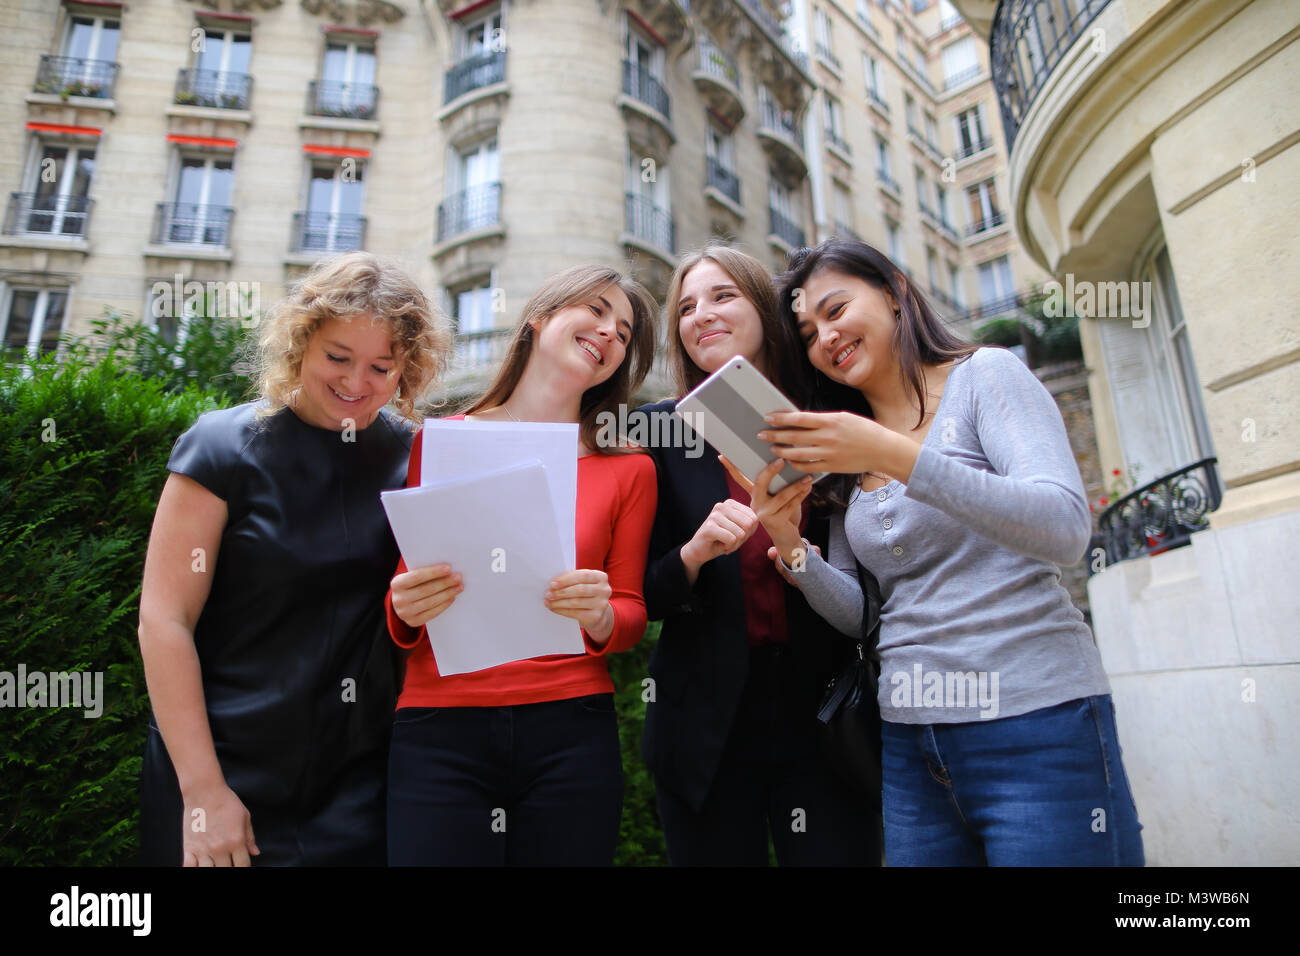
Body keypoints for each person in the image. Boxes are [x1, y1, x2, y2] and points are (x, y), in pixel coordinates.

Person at [729, 238, 1144, 866]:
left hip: (1037, 721)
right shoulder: (846, 451)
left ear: (895, 292)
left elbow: (1063, 528)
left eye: (837, 310)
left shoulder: (986, 375)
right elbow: (864, 615)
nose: (826, 338)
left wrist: (890, 455)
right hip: (911, 744)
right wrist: (790, 545)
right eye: (810, 332)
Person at [137, 252, 451, 866]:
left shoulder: (419, 458)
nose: (357, 383)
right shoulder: (222, 446)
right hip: (220, 764)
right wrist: (203, 792)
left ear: (407, 370)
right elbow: (163, 622)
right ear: (301, 344)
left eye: (381, 367)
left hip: (362, 781)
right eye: (338, 357)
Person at [384, 264, 659, 866]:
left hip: (570, 729)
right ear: (539, 318)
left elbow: (633, 612)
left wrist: (601, 616)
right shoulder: (442, 440)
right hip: (439, 727)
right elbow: (404, 593)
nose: (610, 332)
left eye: (625, 330)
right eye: (597, 310)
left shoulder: (630, 468)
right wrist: (403, 608)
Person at [637, 244, 880, 866]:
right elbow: (643, 590)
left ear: (766, 310)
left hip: (821, 708)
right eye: (686, 307)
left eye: (722, 296)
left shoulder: (833, 415)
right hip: (704, 721)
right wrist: (692, 554)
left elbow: (869, 576)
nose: (701, 315)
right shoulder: (661, 431)